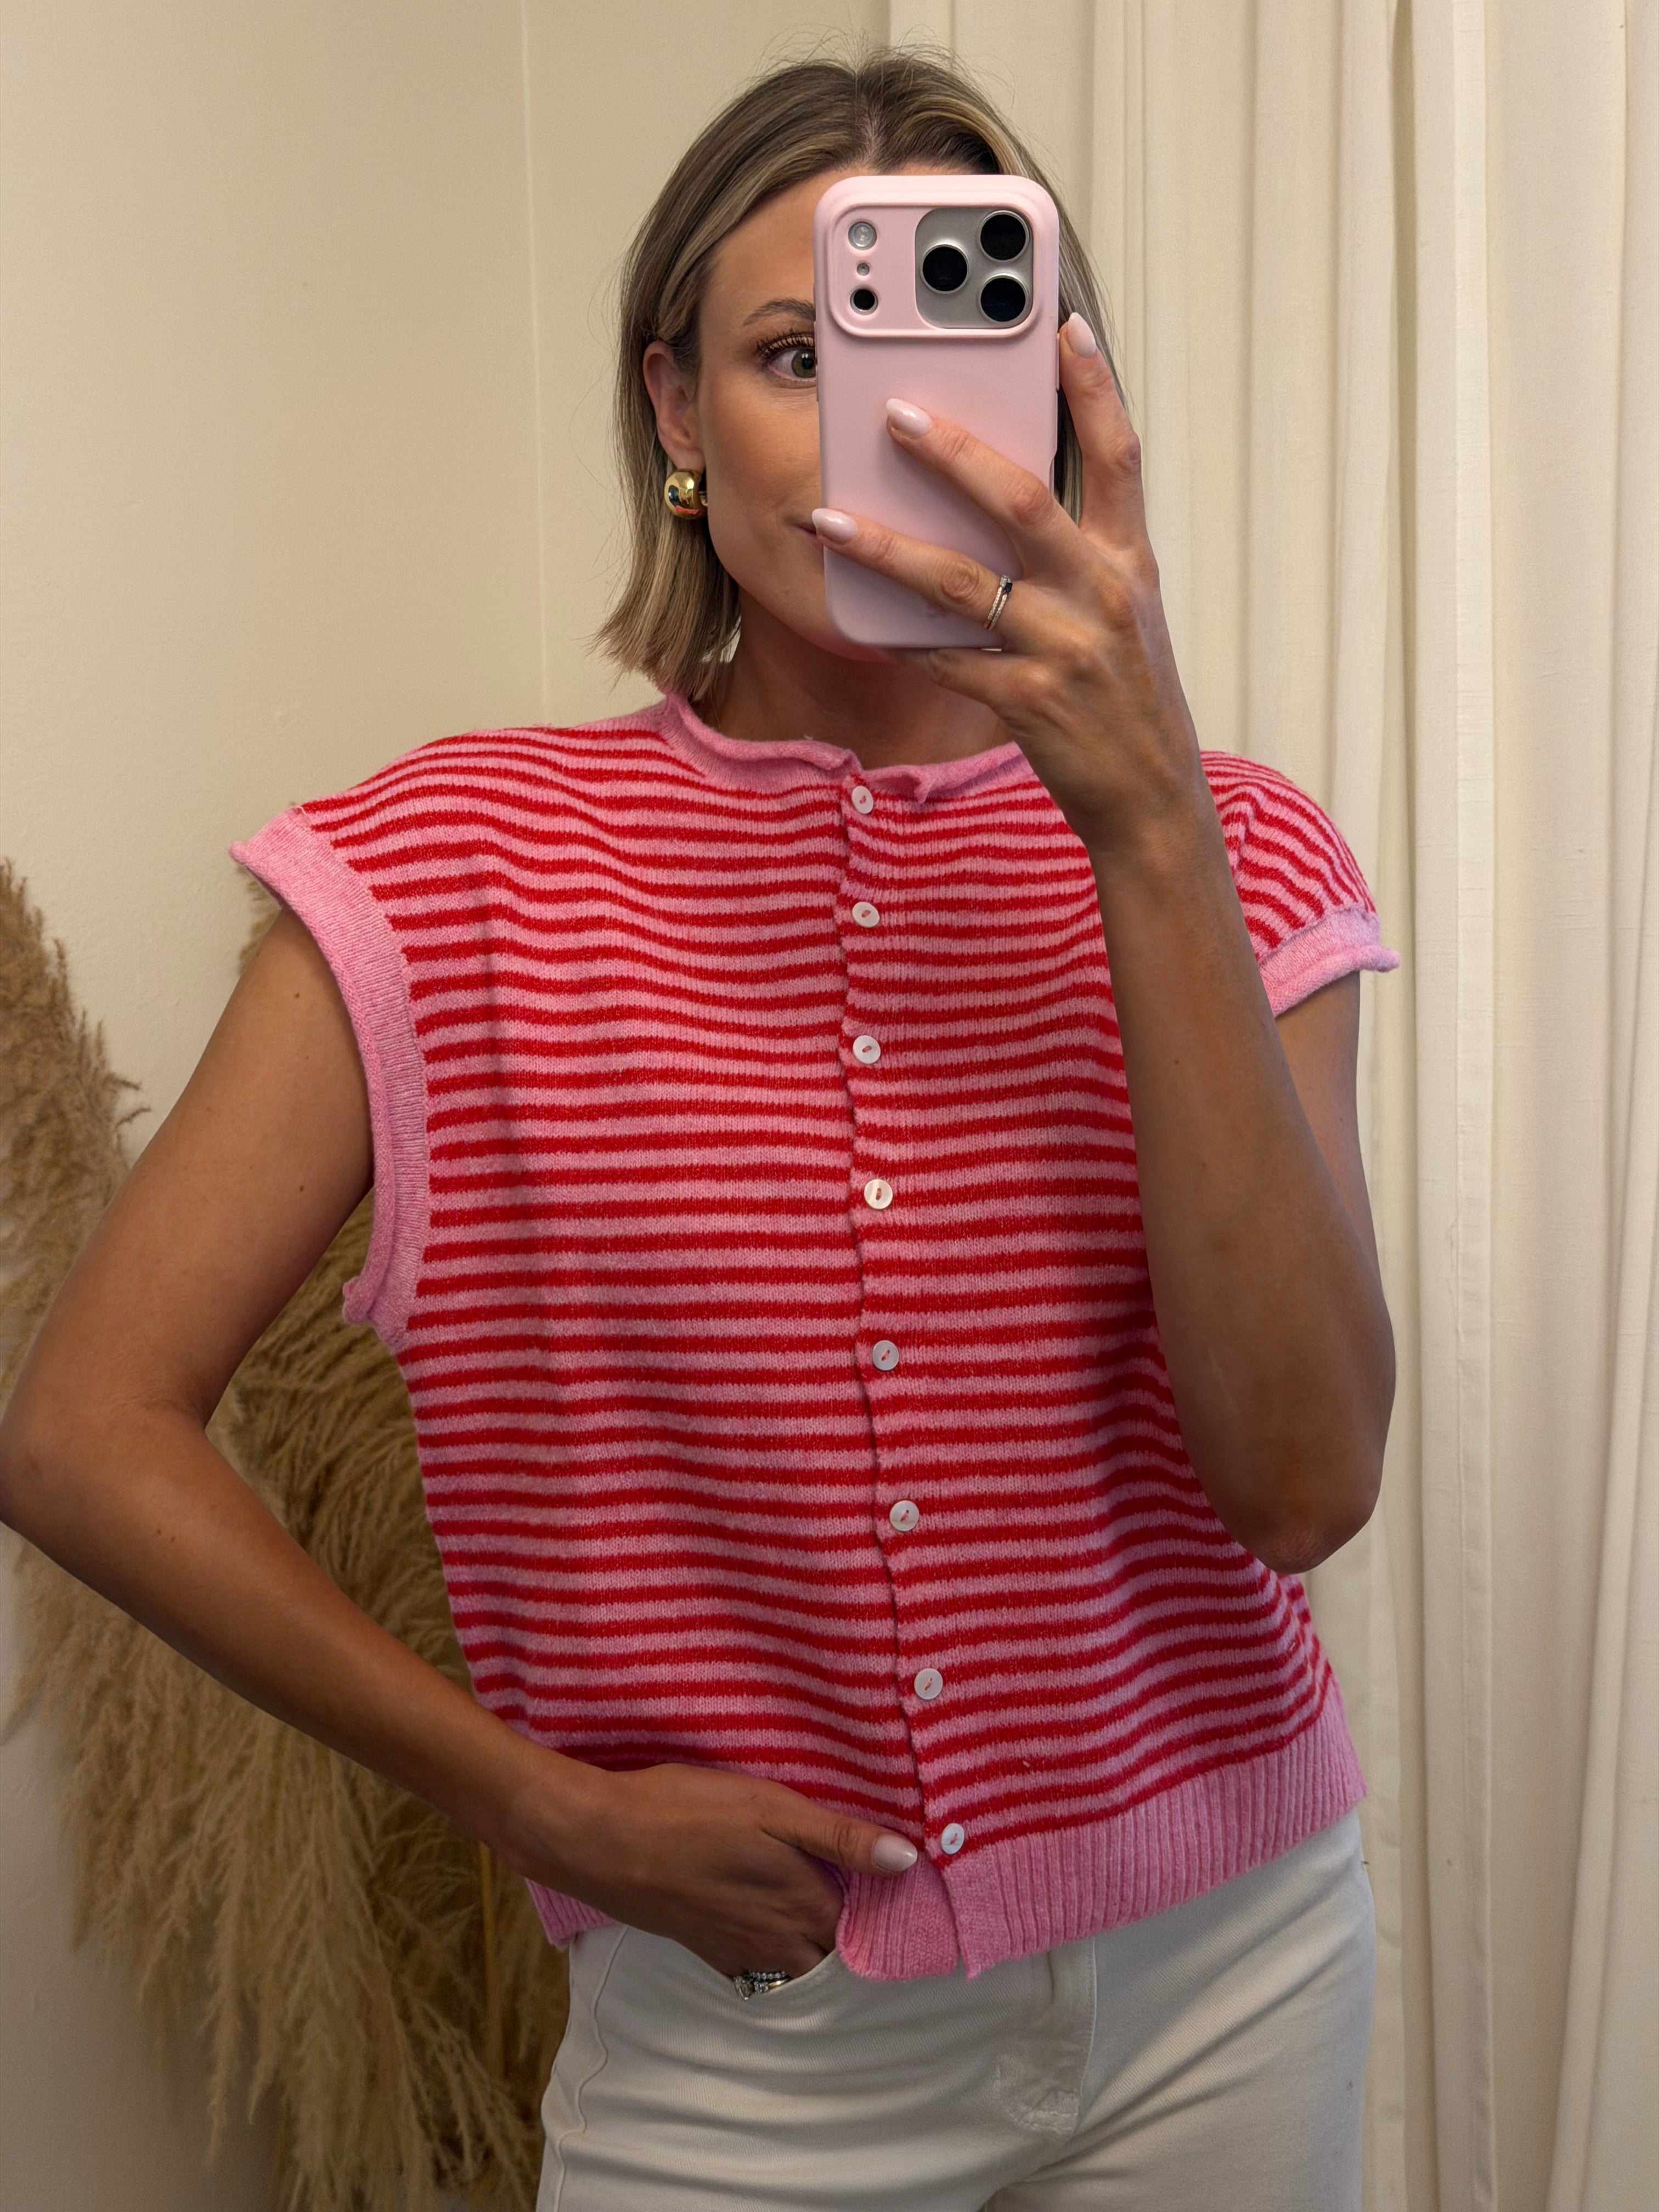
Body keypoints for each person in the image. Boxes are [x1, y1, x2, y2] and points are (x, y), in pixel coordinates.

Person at [0, 42, 1398, 2212]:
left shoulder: (1240, 852)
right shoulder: (445, 876)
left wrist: (1145, 826)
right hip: (747, 2048)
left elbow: (1302, 1486)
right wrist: (535, 1803)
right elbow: (87, 1431)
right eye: (790, 354)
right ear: (673, 410)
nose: (883, 424)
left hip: (1237, 1979)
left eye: (951, 347)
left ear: (1055, 400)